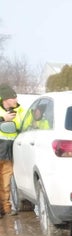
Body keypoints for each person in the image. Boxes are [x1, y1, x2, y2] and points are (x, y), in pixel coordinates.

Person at [0, 84, 24, 217]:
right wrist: (3, 119)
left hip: (10, 152)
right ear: (5, 99)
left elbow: (26, 125)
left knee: (6, 184)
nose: (16, 100)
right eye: (13, 98)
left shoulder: (21, 110)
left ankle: (6, 209)